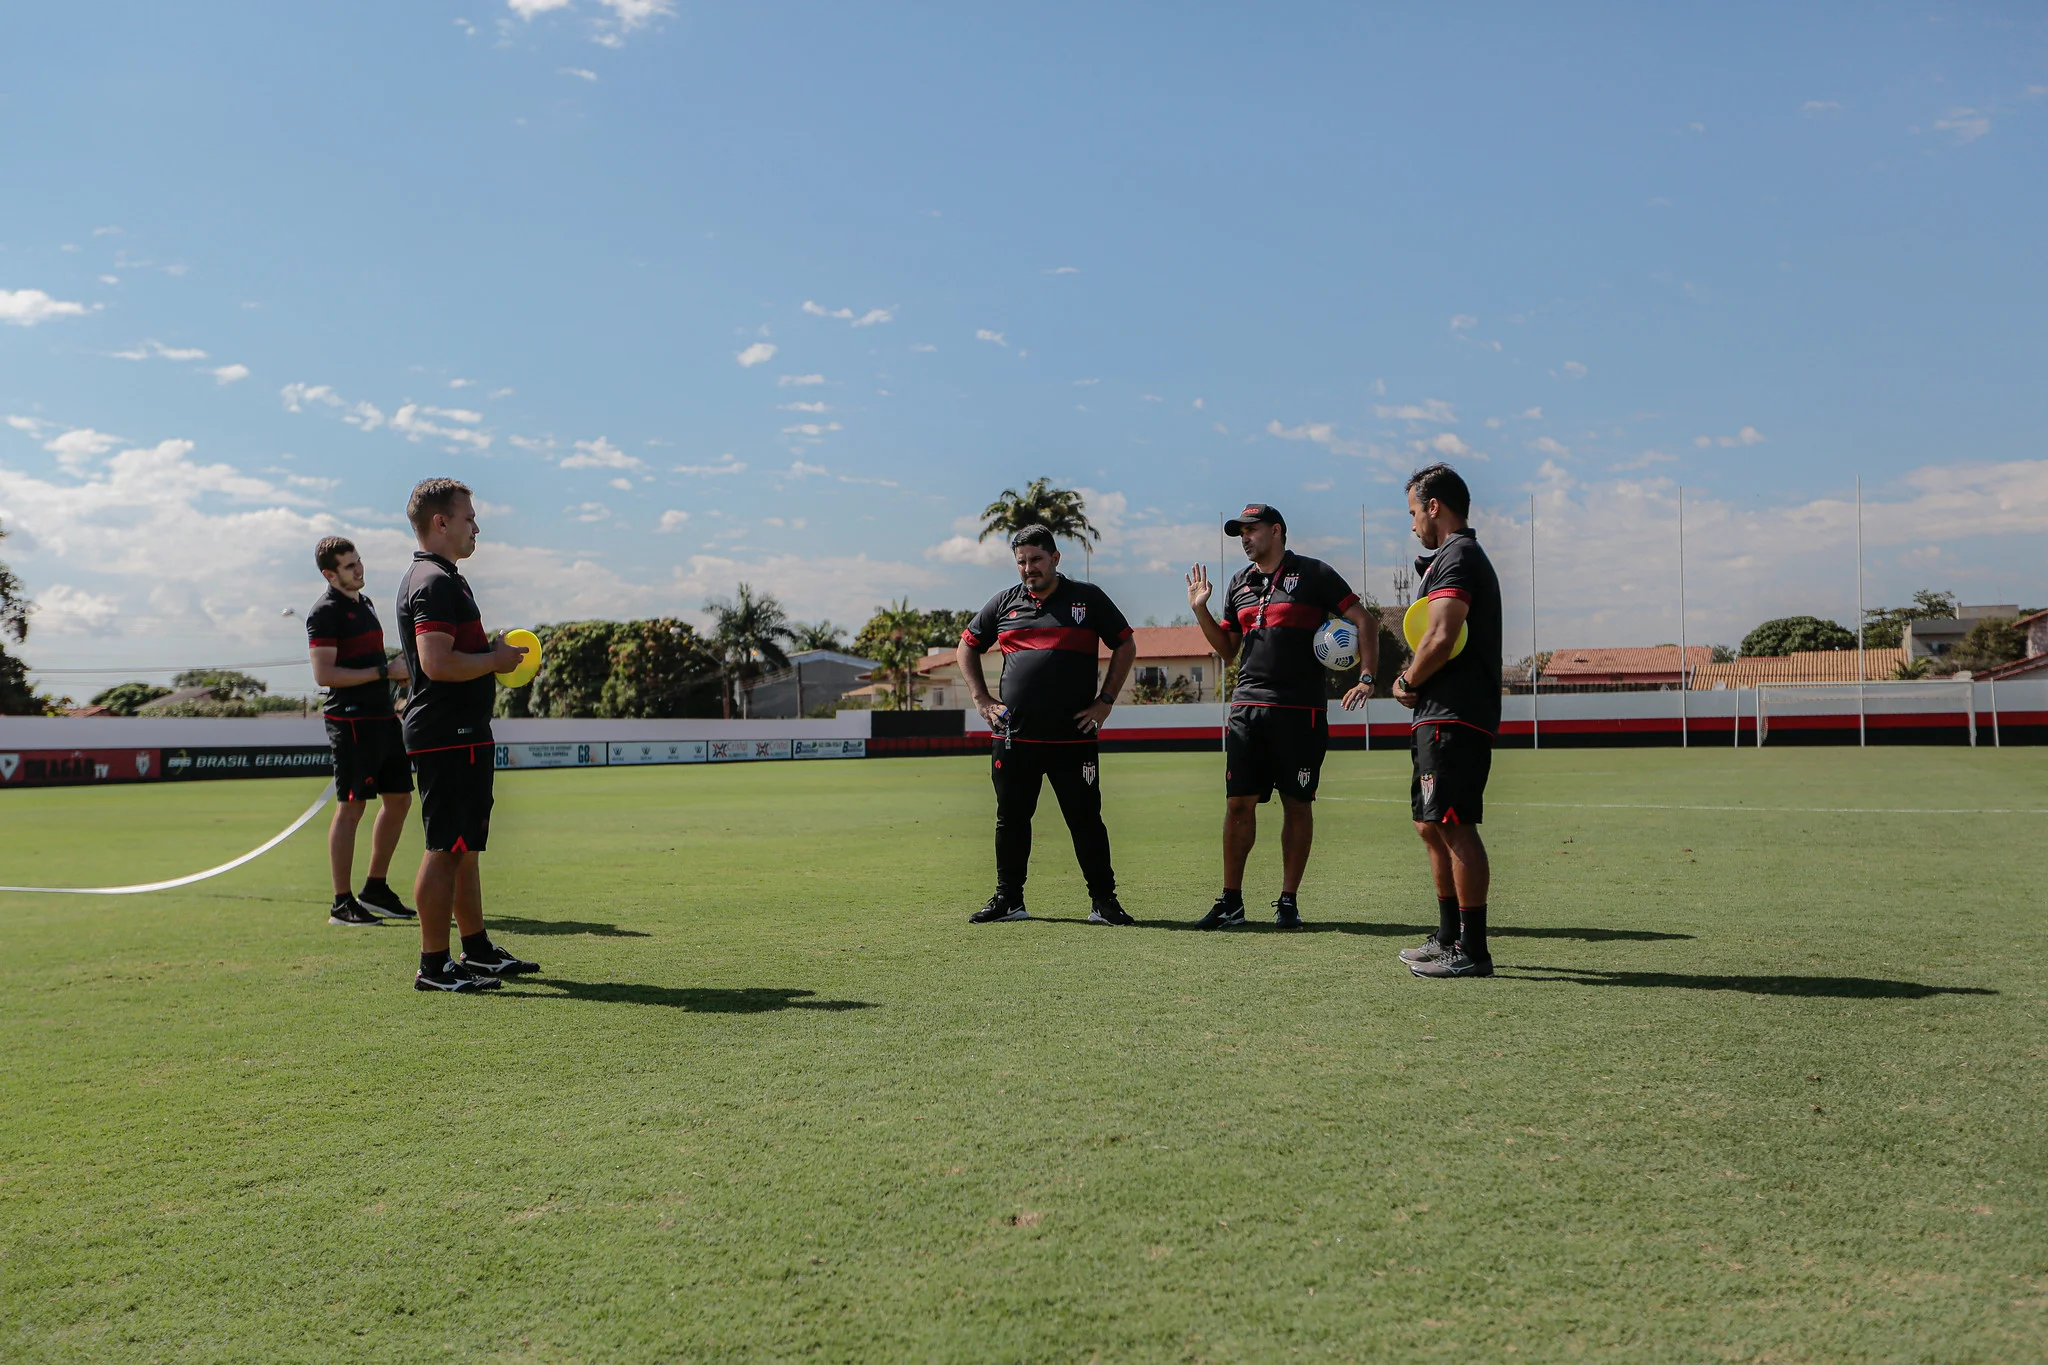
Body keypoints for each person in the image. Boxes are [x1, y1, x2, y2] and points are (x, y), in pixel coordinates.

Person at [1185, 504, 1379, 928]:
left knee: (1298, 803)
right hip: (1247, 709)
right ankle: (1231, 901)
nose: (1244, 538)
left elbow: (1363, 621)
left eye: (1251, 530)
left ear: (1276, 531)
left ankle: (1288, 901)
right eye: (1240, 532)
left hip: (1300, 712)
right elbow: (1226, 649)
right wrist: (1200, 609)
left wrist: (1366, 677)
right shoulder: (1240, 582)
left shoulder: (1314, 575)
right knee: (1238, 804)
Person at [395, 478, 538, 992]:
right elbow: (436, 663)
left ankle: (475, 950)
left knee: (463, 846)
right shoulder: (431, 581)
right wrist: (495, 660)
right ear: (441, 522)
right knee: (444, 847)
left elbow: (453, 654)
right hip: (446, 731)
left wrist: (490, 654)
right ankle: (433, 966)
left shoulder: (446, 579)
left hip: (462, 731)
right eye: (469, 516)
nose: (476, 525)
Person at [957, 525, 1140, 925]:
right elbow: (967, 644)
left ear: (1055, 559)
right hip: (1015, 737)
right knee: (1011, 819)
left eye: (1036, 559)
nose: (1028, 568)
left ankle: (1103, 903)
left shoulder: (1087, 599)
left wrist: (1105, 701)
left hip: (1072, 737)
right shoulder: (1004, 603)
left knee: (1085, 819)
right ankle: (1010, 900)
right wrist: (982, 700)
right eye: (1021, 561)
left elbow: (1125, 643)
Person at [1391, 464, 1503, 979]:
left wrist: (1408, 682)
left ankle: (1473, 952)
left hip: (1455, 716)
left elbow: (1440, 637)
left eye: (1414, 511)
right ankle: (1448, 936)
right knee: (1430, 824)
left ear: (1433, 506)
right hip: (1440, 713)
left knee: (1455, 826)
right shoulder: (1448, 559)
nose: (1413, 523)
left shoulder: (1458, 555)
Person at [306, 536, 416, 926]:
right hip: (349, 721)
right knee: (351, 807)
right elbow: (325, 674)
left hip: (382, 718)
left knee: (400, 799)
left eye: (358, 561)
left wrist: (397, 671)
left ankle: (376, 888)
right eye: (349, 566)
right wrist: (387, 671)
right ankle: (341, 902)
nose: (359, 569)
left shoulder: (365, 604)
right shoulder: (324, 613)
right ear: (329, 574)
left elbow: (370, 662)